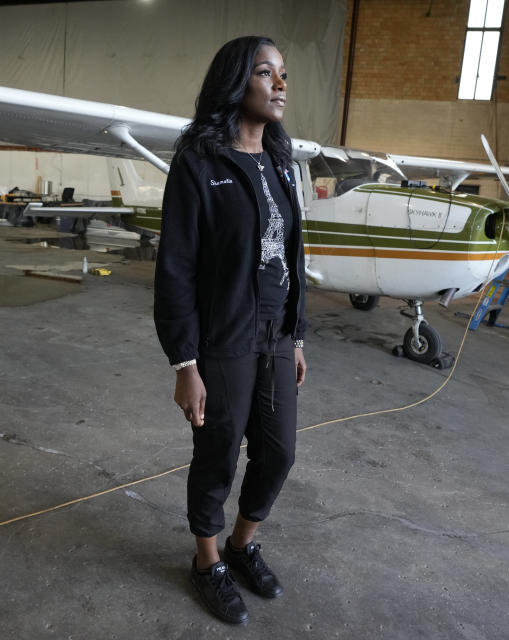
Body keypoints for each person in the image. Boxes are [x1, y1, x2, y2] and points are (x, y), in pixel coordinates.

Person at [153, 35, 307, 625]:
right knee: (217, 453)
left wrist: (296, 335)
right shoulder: (199, 162)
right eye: (266, 73)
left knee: (279, 452)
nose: (280, 84)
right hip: (222, 340)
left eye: (283, 74)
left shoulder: (280, 161)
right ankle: (207, 561)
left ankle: (243, 544)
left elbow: (293, 255)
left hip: (274, 336)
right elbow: (177, 268)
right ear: (236, 82)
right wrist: (184, 364)